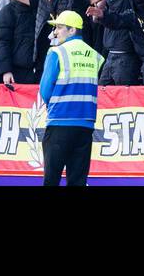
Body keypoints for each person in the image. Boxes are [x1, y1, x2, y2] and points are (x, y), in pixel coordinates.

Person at [38, 10, 104, 186]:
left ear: (72, 30)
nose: (55, 32)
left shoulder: (57, 52)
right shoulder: (95, 55)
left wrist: (54, 106)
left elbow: (45, 89)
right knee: (78, 180)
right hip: (85, 124)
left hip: (60, 120)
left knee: (51, 179)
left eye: (59, 27)